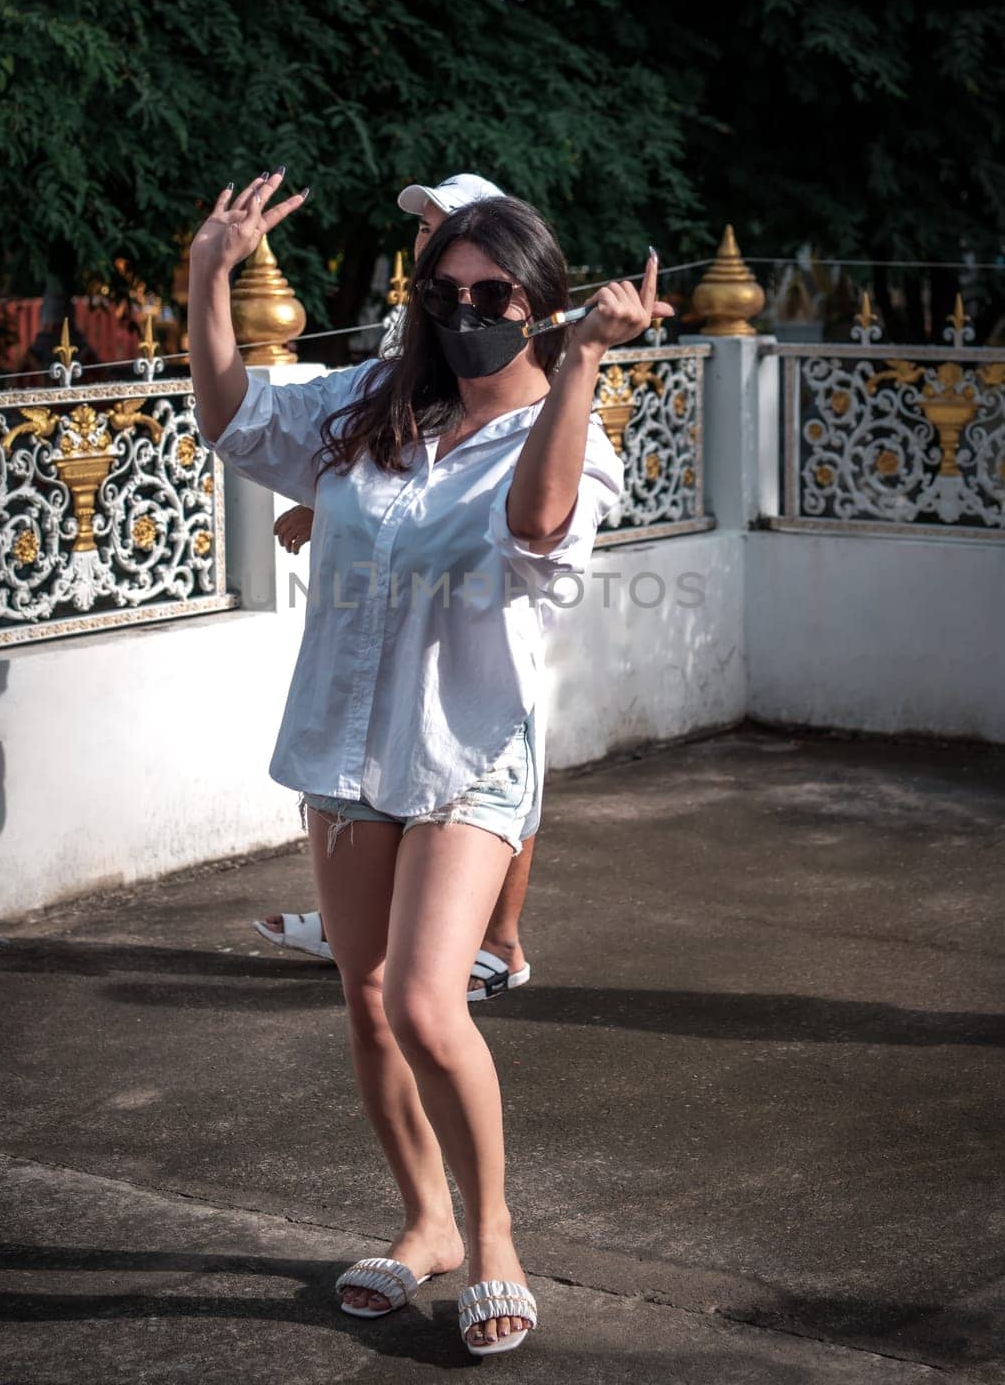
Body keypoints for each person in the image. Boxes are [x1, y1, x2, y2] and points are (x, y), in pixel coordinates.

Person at [189, 165, 670, 1354]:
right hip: (349, 747)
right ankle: (426, 1225)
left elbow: (535, 529)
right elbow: (234, 419)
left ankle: (494, 1234)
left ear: (537, 302)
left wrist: (585, 364)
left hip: (466, 753)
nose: (464, 308)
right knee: (363, 1004)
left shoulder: (565, 429)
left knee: (422, 997)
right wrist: (207, 276)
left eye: (493, 291)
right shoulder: (370, 400)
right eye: (443, 287)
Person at [258, 172, 537, 1002]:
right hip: (397, 590)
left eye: (450, 227)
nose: (431, 243)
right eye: (424, 232)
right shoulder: (414, 323)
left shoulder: (503, 336)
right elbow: (385, 453)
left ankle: (500, 939)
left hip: (488, 591)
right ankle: (371, 919)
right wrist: (328, 505)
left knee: (497, 770)